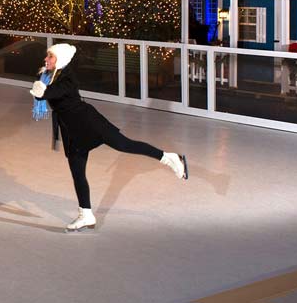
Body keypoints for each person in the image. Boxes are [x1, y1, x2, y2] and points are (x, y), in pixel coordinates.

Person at [30, 43, 188, 232]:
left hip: (89, 122)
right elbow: (43, 93)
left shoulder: (67, 77)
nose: (46, 60)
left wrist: (43, 91)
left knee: (125, 145)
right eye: (47, 56)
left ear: (61, 60)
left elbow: (52, 92)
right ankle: (86, 214)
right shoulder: (50, 75)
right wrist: (41, 89)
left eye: (50, 57)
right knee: (77, 172)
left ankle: (170, 158)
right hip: (72, 130)